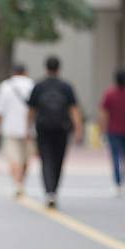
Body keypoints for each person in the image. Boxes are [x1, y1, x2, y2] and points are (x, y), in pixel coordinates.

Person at [28, 56, 83, 208]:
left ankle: (49, 191)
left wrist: (28, 127)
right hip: (62, 128)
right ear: (59, 68)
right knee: (58, 160)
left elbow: (32, 109)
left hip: (43, 128)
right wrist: (78, 129)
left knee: (46, 159)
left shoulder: (39, 86)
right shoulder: (66, 86)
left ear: (46, 68)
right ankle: (54, 190)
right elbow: (73, 109)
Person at [0, 64, 35, 197]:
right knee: (26, 158)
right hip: (30, 129)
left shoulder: (5, 86)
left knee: (14, 158)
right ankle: (22, 181)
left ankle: (17, 184)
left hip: (10, 128)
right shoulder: (32, 85)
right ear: (26, 72)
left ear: (13, 72)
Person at [99, 69, 125, 196]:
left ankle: (118, 184)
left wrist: (102, 130)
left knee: (115, 157)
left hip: (113, 130)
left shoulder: (110, 94)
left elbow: (104, 114)